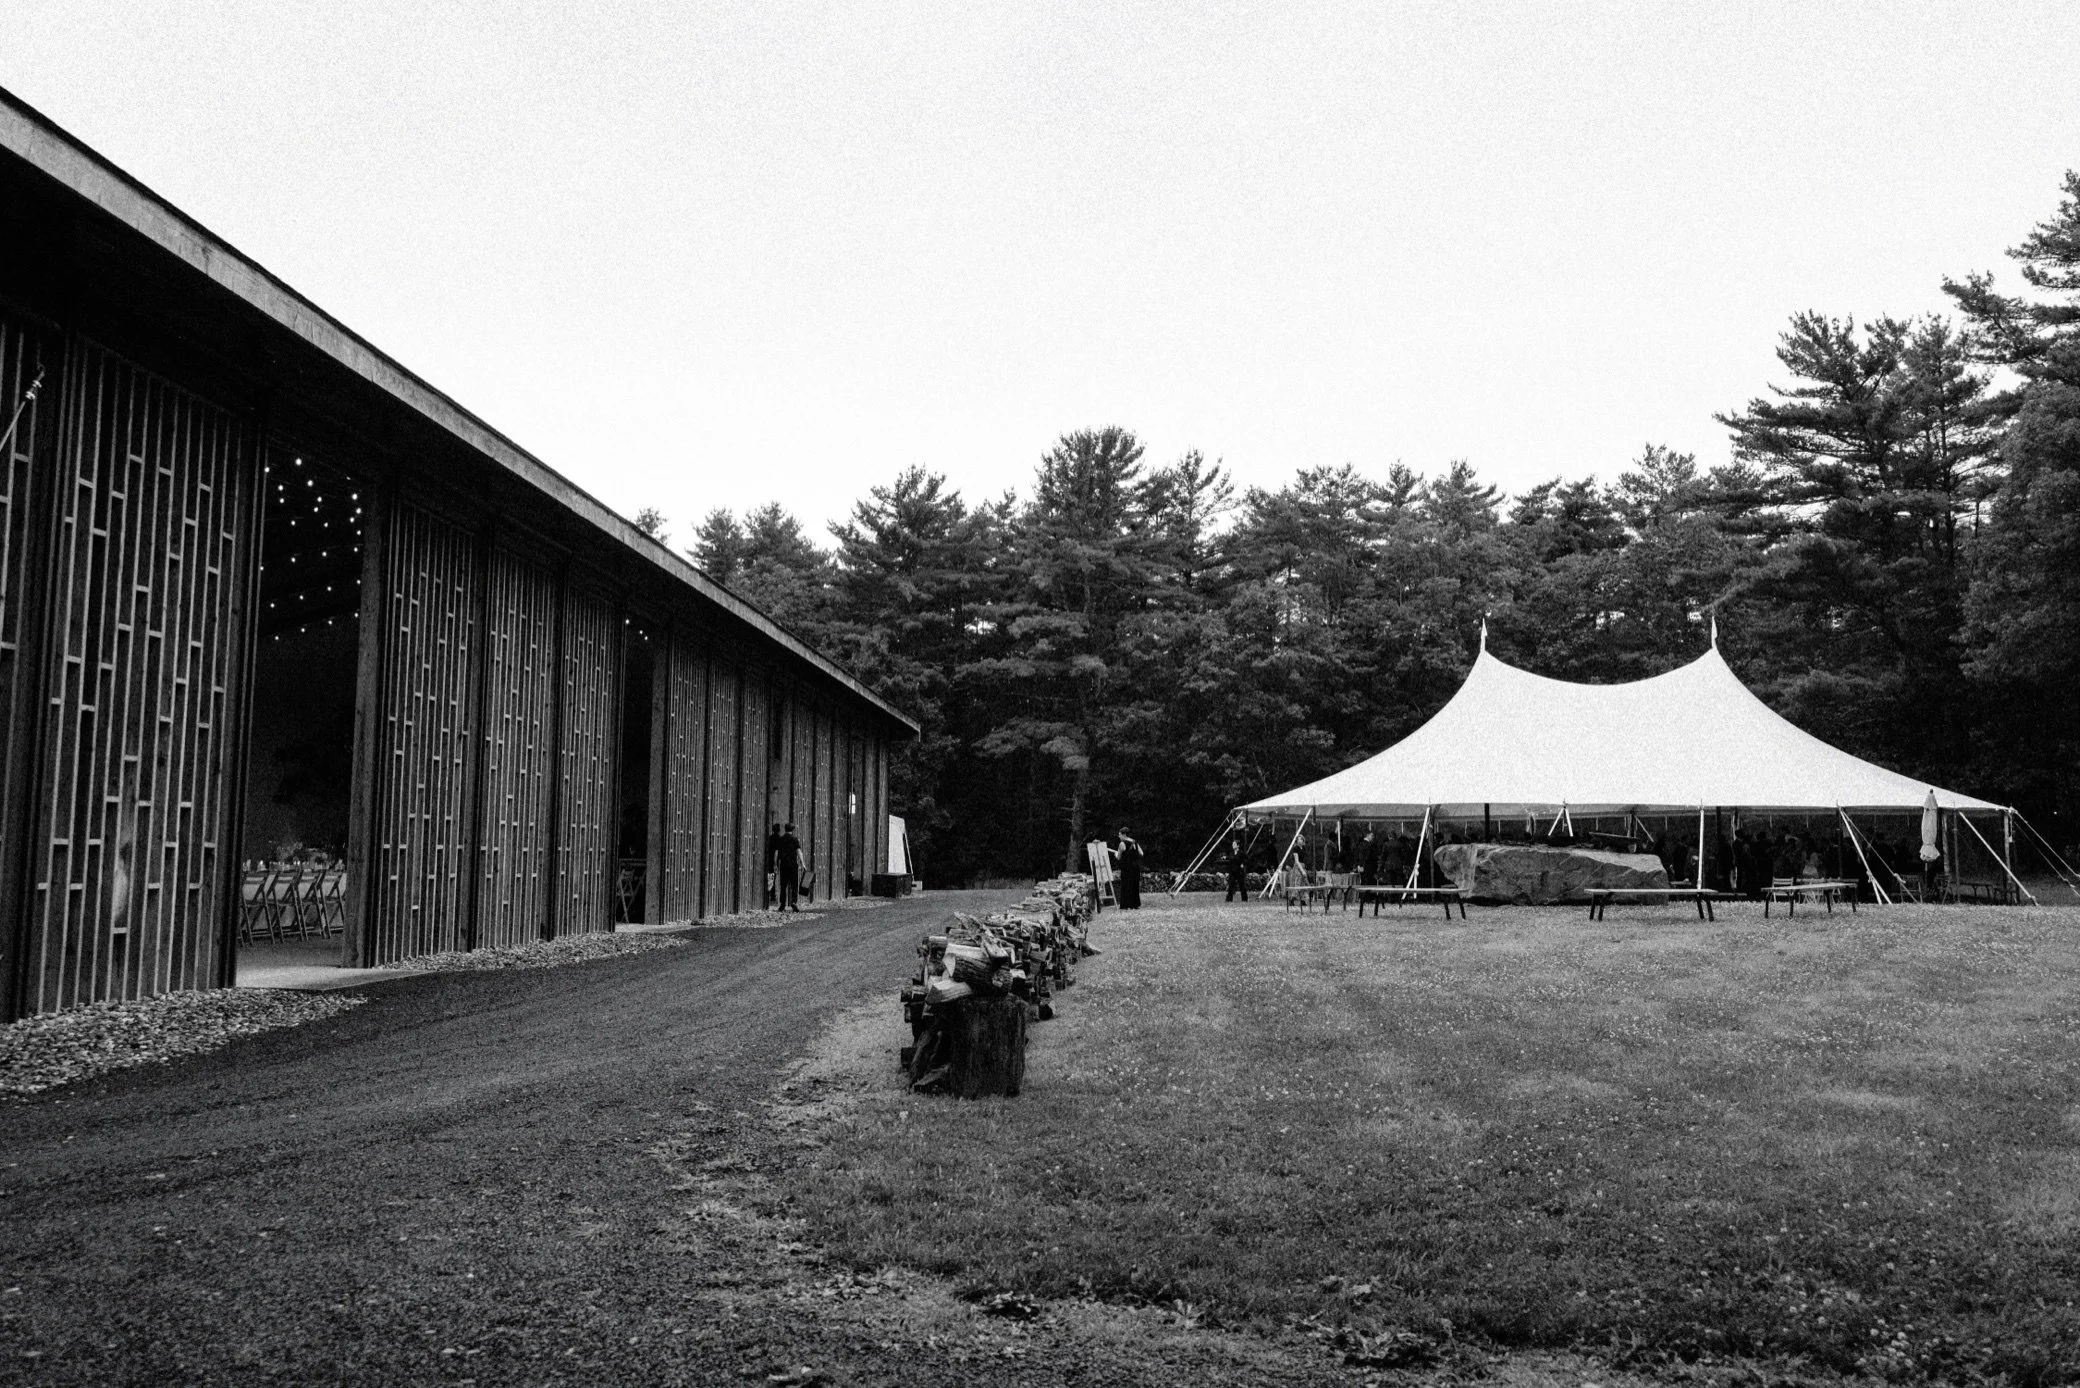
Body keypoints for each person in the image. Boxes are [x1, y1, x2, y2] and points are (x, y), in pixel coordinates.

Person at [775, 821, 805, 912]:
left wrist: (775, 864)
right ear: (793, 830)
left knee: (783, 885)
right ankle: (794, 901)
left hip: (783, 865)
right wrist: (803, 863)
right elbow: (799, 852)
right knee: (794, 885)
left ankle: (782, 905)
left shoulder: (781, 839)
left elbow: (776, 853)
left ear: (785, 829)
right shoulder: (794, 839)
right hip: (792, 865)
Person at [1115, 827, 1143, 909]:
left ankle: (1126, 904)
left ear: (1124, 835)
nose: (1118, 836)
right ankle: (1135, 904)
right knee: (1134, 885)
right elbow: (1141, 853)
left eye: (1119, 835)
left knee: (1126, 885)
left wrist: (1116, 854)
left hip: (1127, 868)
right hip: (1136, 867)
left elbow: (1118, 857)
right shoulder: (1135, 842)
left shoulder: (1122, 843)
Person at [1223, 833, 1249, 903]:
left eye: (1234, 844)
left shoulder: (1241, 853)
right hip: (1232, 871)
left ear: (1238, 845)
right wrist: (1225, 858)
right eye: (1233, 844)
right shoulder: (1231, 853)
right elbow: (1230, 859)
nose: (1233, 845)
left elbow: (1246, 859)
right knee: (1231, 885)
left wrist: (1243, 864)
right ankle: (1229, 899)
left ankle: (1244, 899)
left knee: (1242, 885)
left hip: (1239, 871)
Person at [764, 822, 783, 908]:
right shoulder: (779, 838)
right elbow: (776, 852)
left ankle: (769, 893)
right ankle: (772, 895)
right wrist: (776, 863)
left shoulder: (770, 838)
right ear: (779, 830)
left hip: (768, 859)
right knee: (773, 877)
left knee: (770, 876)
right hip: (774, 861)